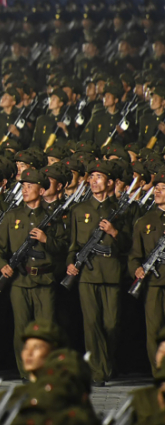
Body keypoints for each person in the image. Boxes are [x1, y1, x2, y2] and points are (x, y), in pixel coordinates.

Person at [0, 168, 68, 379]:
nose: (25, 190)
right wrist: (3, 266)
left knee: (46, 329)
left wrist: (47, 240)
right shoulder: (12, 216)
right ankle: (26, 372)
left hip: (45, 279)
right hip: (20, 280)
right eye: (23, 186)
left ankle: (45, 370)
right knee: (22, 329)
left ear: (42, 190)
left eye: (30, 186)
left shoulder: (52, 216)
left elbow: (64, 247)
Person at [66, 161, 131, 386]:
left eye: (99, 177)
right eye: (91, 177)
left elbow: (129, 245)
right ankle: (97, 371)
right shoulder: (79, 210)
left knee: (111, 324)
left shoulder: (120, 209)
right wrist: (70, 264)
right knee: (91, 323)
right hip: (87, 274)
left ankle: (106, 361)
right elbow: (73, 244)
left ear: (110, 182)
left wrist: (114, 232)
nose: (94, 181)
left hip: (112, 272)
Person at [129, 172, 165, 372]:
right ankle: (159, 372)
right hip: (152, 283)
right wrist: (137, 268)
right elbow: (135, 254)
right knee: (154, 330)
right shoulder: (144, 221)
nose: (157, 191)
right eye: (156, 187)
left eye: (163, 188)